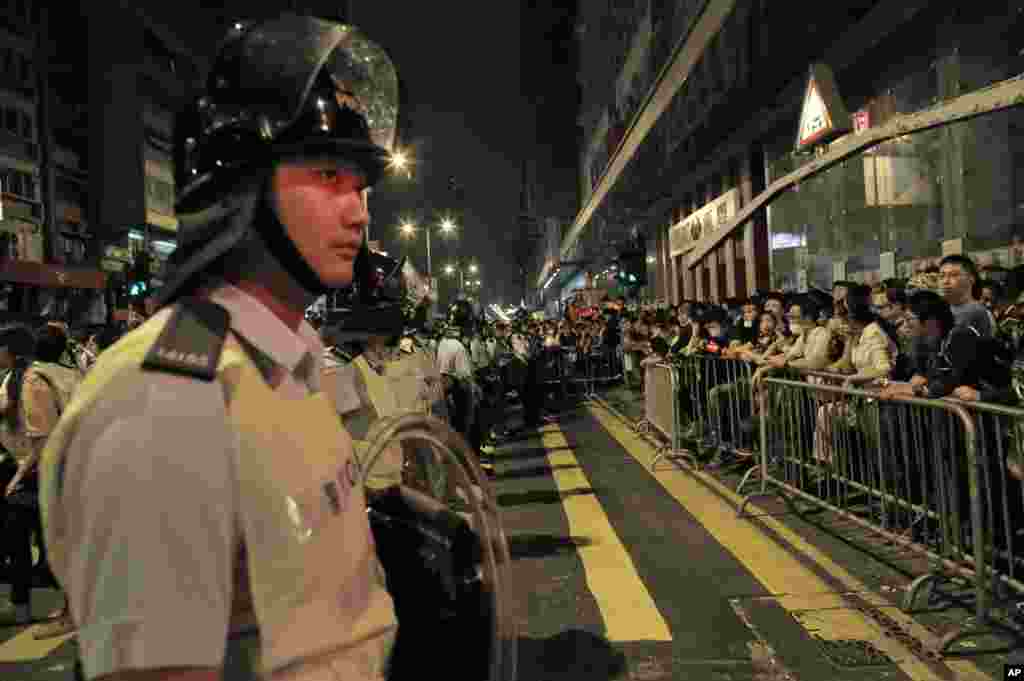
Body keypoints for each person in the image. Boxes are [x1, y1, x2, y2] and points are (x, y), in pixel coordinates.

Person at [38, 15, 402, 681]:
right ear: (240, 187)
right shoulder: (167, 405)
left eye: (362, 186)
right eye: (327, 175)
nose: (359, 212)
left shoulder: (284, 363)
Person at [939, 254, 994, 336]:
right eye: (942, 276)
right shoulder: (940, 310)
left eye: (954, 275)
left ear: (971, 278)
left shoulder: (979, 313)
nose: (946, 281)